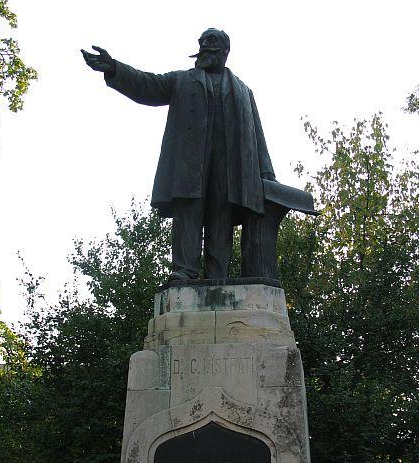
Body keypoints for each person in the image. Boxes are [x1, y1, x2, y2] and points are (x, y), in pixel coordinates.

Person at [81, 29, 277, 280]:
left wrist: (266, 172)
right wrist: (115, 68)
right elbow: (147, 85)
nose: (204, 45)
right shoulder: (182, 80)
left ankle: (217, 276)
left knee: (221, 220)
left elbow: (257, 133)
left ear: (226, 50)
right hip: (191, 163)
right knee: (188, 214)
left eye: (211, 41)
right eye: (201, 41)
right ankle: (184, 271)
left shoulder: (243, 91)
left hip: (229, 167)